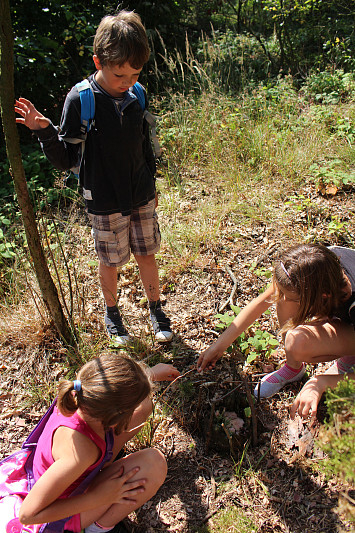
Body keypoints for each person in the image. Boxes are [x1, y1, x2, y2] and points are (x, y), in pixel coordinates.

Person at [15, 10, 173, 346]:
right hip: (103, 199)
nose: (127, 81)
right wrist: (44, 131)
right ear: (98, 61)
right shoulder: (81, 99)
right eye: (120, 74)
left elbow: (145, 142)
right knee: (111, 260)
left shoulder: (138, 93)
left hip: (140, 192)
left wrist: (152, 181)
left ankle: (156, 308)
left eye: (135, 73)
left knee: (147, 253)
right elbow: (68, 158)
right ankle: (112, 313)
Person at [0, 354, 180, 532]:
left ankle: (102, 466)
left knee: (144, 406)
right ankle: (96, 528)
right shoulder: (80, 453)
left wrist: (149, 374)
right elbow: (27, 516)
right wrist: (99, 497)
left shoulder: (79, 394)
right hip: (59, 515)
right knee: (153, 464)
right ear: (115, 415)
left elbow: (112, 389)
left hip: (58, 479)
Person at [197, 244, 355, 417]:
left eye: (296, 298)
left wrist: (323, 382)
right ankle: (293, 368)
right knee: (294, 334)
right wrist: (218, 346)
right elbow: (262, 301)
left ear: (322, 296)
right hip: (341, 312)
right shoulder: (318, 265)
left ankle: (350, 358)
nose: (285, 300)